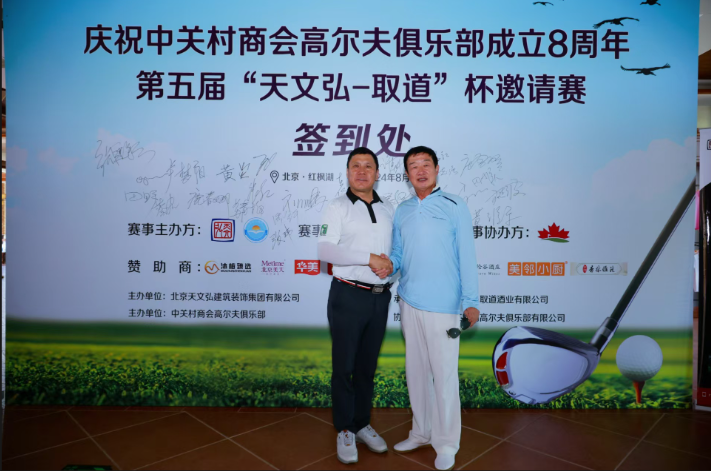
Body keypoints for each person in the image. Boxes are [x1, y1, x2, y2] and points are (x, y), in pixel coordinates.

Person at [376, 146, 480, 471]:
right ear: (407, 174)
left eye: (425, 164)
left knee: (444, 377)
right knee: (417, 373)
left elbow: (467, 255)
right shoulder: (403, 209)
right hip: (409, 301)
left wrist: (471, 302)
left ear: (436, 169)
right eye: (413, 166)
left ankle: (446, 444)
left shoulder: (455, 205)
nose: (420, 170)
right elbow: (398, 252)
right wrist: (388, 265)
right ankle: (421, 432)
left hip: (444, 306)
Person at [318, 147, 395, 465]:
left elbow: (393, 254)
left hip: (380, 297)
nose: (361, 171)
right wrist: (369, 258)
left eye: (368, 166)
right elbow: (325, 251)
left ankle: (362, 423)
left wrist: (390, 267)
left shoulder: (388, 208)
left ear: (377, 173)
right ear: (348, 172)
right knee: (344, 367)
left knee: (366, 367)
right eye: (355, 166)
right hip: (348, 295)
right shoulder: (337, 206)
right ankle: (345, 429)